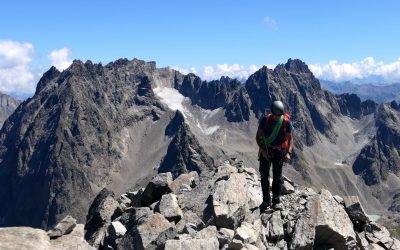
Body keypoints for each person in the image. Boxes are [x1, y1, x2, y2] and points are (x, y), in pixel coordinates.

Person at [256, 101, 294, 211]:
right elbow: (258, 137)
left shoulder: (286, 123)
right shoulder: (265, 120)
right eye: (276, 115)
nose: (277, 117)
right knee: (264, 176)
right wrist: (263, 151)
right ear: (272, 113)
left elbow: (291, 139)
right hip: (266, 150)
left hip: (279, 153)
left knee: (277, 178)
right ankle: (266, 200)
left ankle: (276, 202)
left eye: (279, 115)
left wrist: (288, 152)